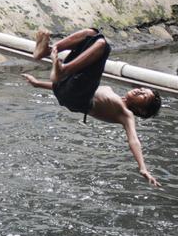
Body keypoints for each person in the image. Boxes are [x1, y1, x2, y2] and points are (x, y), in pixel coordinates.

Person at [22, 27, 163, 187]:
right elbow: (70, 90)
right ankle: (47, 51)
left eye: (144, 96)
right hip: (65, 87)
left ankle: (62, 68)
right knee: (91, 34)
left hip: (76, 97)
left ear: (142, 110)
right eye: (142, 89)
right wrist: (38, 84)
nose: (139, 91)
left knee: (103, 45)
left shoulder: (125, 114)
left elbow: (134, 140)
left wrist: (142, 167)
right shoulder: (114, 96)